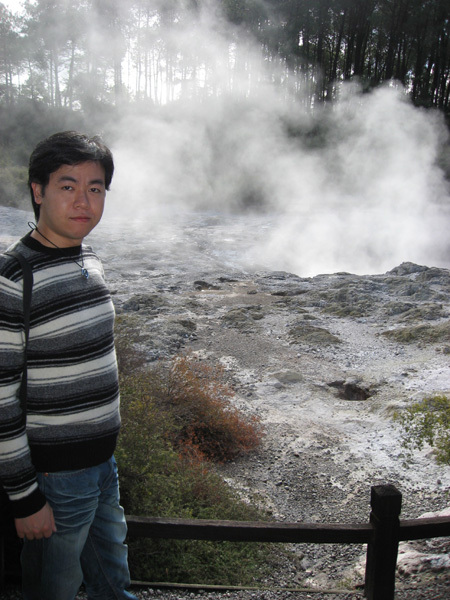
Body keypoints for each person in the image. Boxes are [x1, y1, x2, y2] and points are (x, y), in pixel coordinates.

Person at [0, 131, 137, 600]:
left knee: (113, 581)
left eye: (95, 188)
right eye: (68, 186)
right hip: (54, 479)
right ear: (37, 191)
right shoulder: (15, 278)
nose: (84, 201)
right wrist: (25, 499)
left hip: (102, 464)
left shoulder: (89, 257)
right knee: (51, 591)